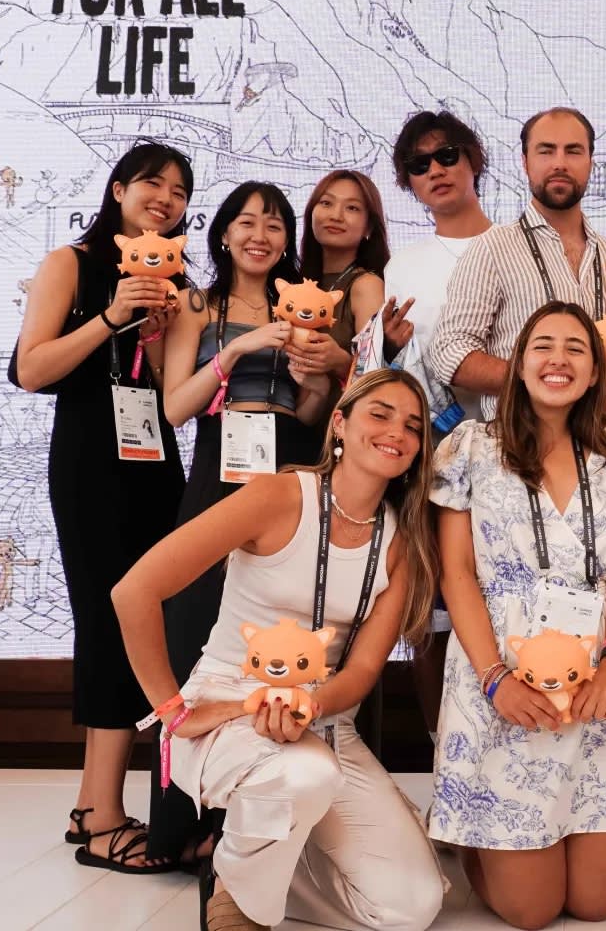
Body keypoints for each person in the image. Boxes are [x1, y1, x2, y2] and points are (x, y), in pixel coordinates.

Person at [112, 369, 447, 931]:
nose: (398, 432)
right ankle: (239, 908)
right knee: (304, 776)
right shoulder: (276, 494)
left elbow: (363, 668)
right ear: (339, 422)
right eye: (380, 414)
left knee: (408, 908)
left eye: (413, 426)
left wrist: (311, 706)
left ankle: (252, 867)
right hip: (227, 705)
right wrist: (171, 712)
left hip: (323, 715)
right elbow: (134, 592)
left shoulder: (403, 542)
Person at [428, 301, 606, 929]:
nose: (559, 359)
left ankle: (541, 835)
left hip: (600, 663)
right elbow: (457, 572)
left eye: (577, 348)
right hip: (502, 664)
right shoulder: (472, 445)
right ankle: (473, 835)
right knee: (534, 911)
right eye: (543, 345)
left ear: (597, 371)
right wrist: (493, 676)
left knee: (594, 906)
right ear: (518, 364)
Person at [10, 141, 193, 872]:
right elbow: (31, 369)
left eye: (181, 191)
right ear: (119, 189)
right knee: (107, 622)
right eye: (154, 182)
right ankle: (104, 814)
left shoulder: (177, 279)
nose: (166, 199)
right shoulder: (72, 263)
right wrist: (114, 316)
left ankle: (95, 804)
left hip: (155, 467)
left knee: (150, 624)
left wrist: (171, 326)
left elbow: (174, 394)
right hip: (91, 464)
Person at [148, 181, 329, 866]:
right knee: (194, 633)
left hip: (284, 468)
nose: (262, 234)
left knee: (273, 633)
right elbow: (174, 409)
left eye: (276, 224)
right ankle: (180, 822)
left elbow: (310, 417)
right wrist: (236, 352)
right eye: (248, 222)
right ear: (223, 233)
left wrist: (314, 378)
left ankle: (255, 818)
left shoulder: (301, 301)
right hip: (217, 466)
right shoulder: (197, 303)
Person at [383, 110, 496, 739]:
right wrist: (392, 350)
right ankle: (441, 748)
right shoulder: (404, 265)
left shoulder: (518, 245)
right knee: (428, 607)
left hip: (513, 454)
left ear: (474, 159)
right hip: (432, 452)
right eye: (418, 165)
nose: (436, 171)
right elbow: (389, 367)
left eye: (446, 155)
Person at [428, 107, 606, 420]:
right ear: (525, 161)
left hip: (603, 450)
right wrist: (537, 378)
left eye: (573, 151)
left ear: (591, 161)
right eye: (546, 151)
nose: (559, 163)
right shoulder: (491, 249)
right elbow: (449, 352)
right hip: (518, 449)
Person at [288, 168, 394, 380]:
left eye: (352, 208)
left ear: (369, 228)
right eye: (326, 203)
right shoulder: (296, 283)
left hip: (344, 411)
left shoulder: (365, 284)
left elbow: (373, 374)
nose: (336, 216)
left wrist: (342, 362)